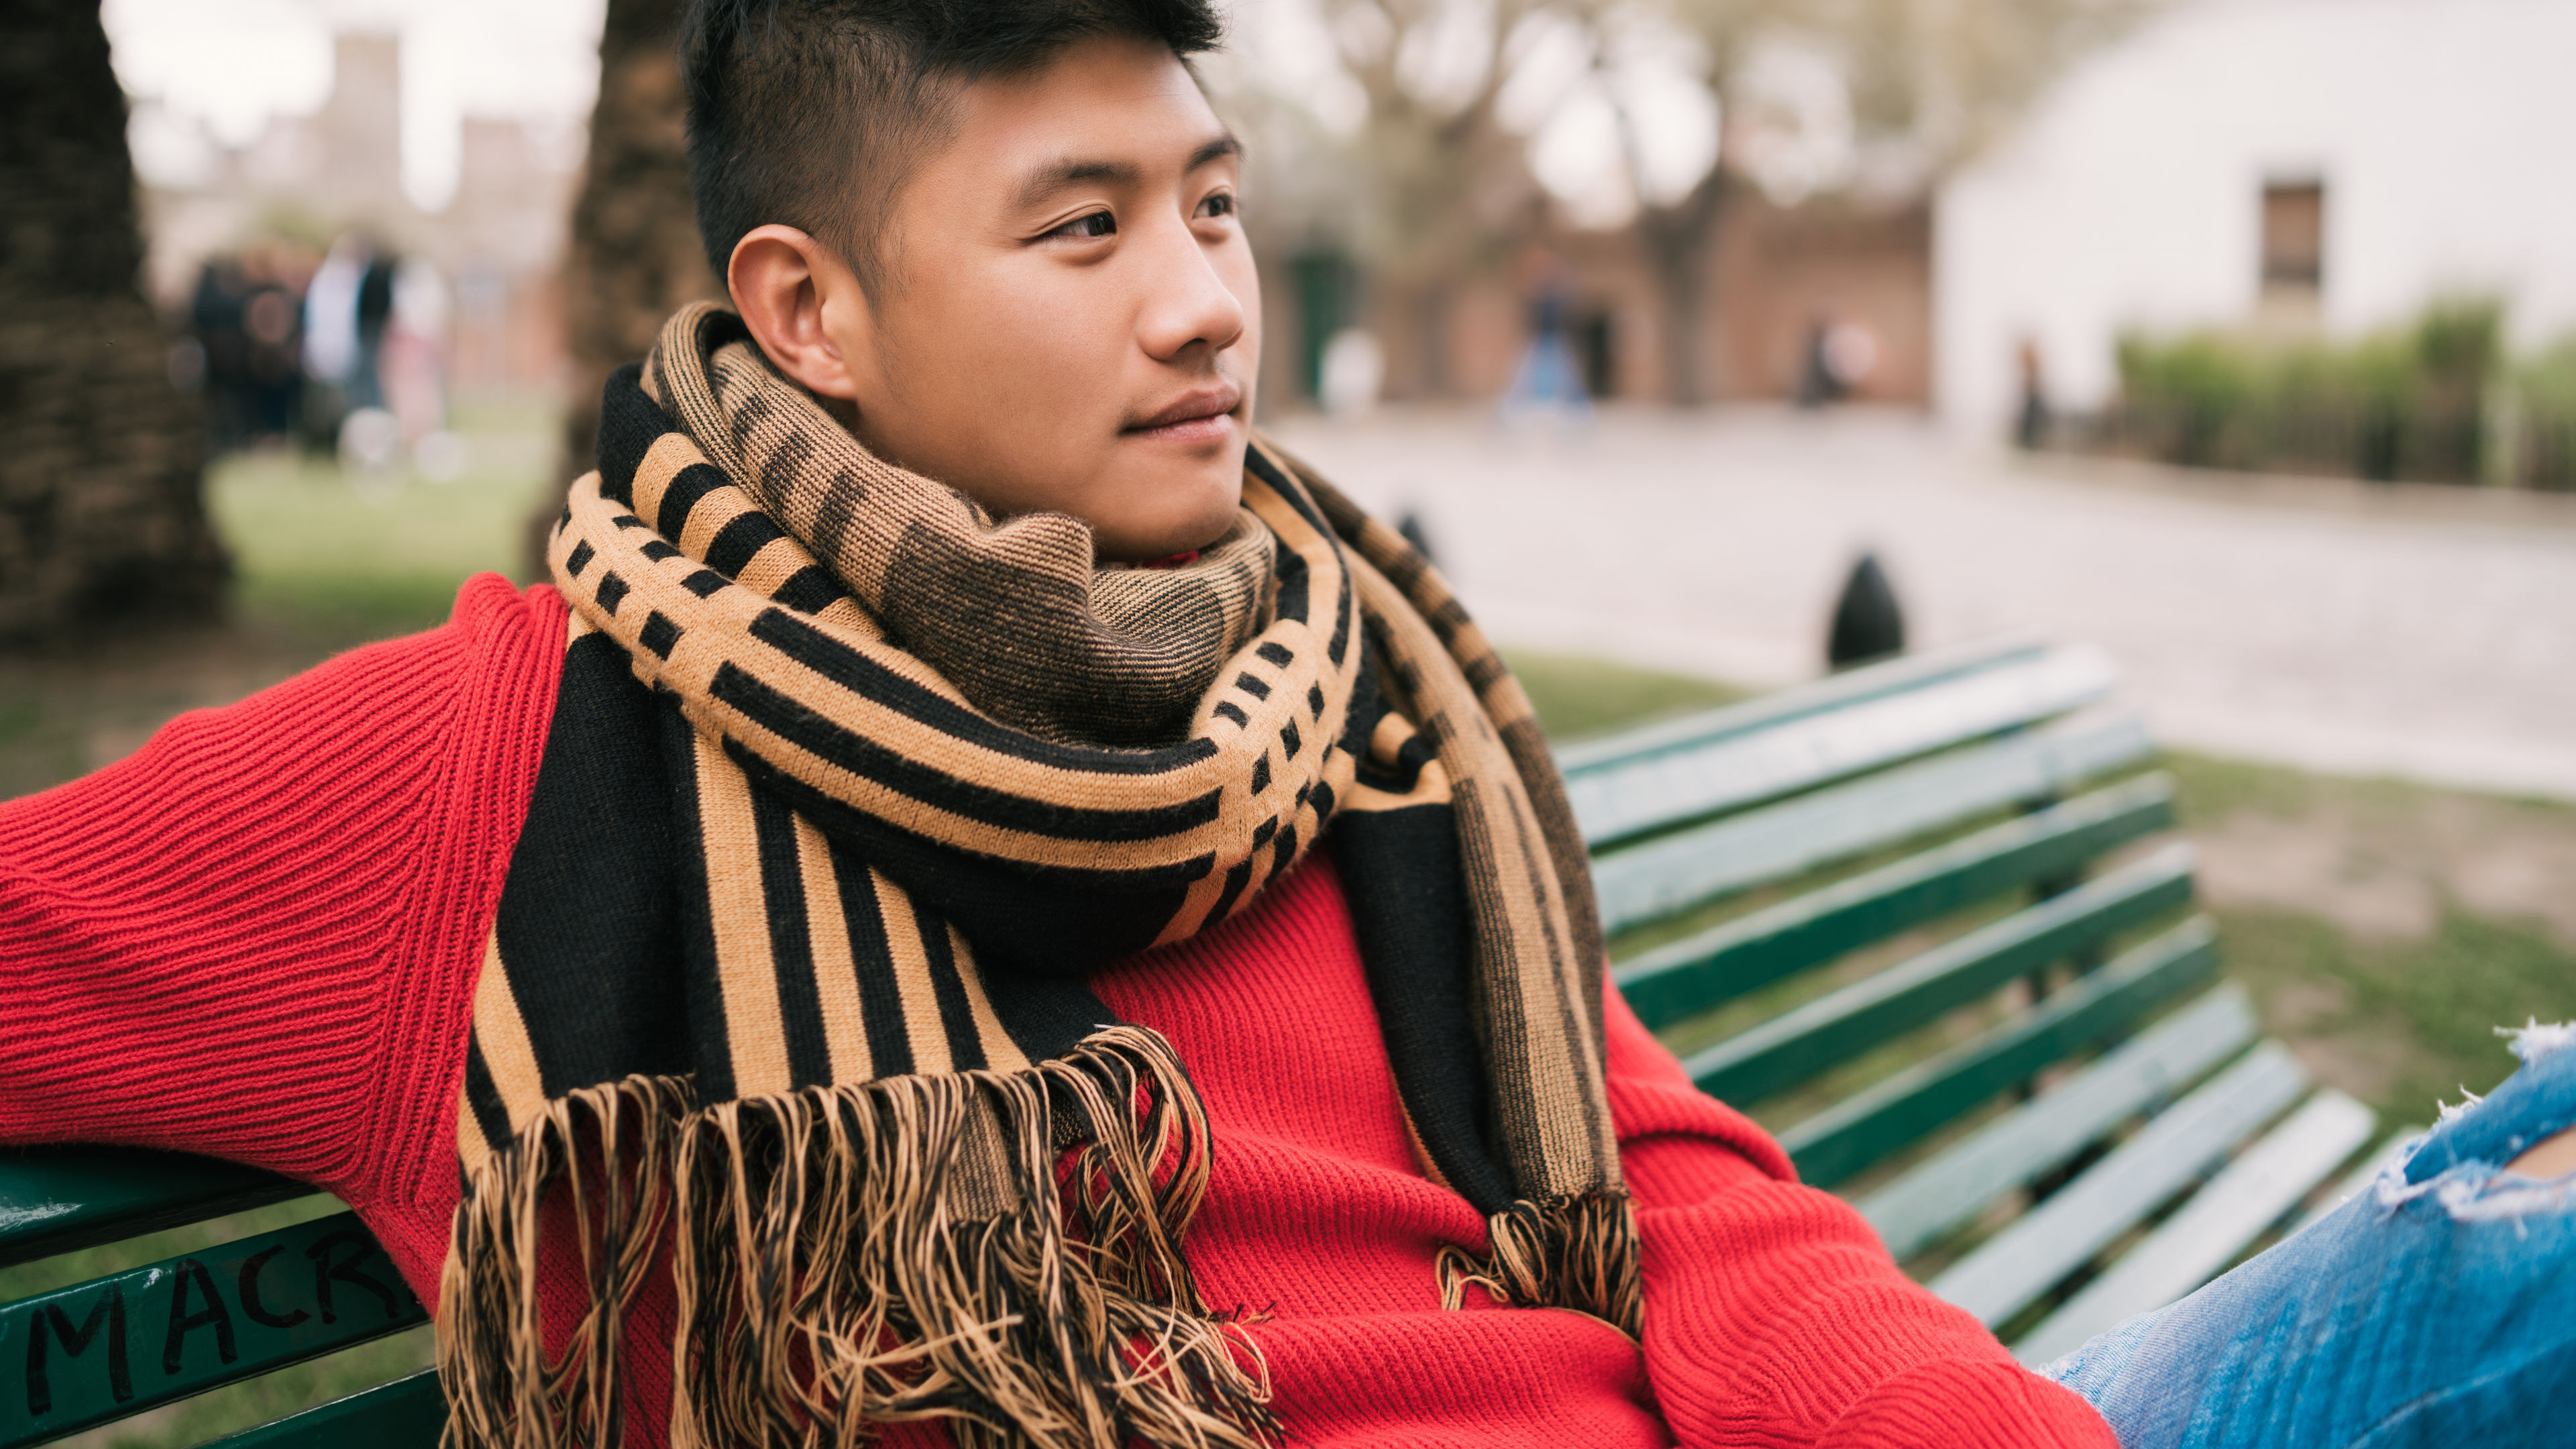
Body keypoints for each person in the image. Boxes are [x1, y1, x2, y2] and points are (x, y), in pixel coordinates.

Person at [3, 4, 2569, 1446]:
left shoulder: (1341, 670)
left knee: (2528, 1225)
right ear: (807, 312)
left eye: (1213, 203)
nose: (1210, 303)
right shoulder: (497, 777)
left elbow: (1662, 1187)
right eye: (1084, 228)